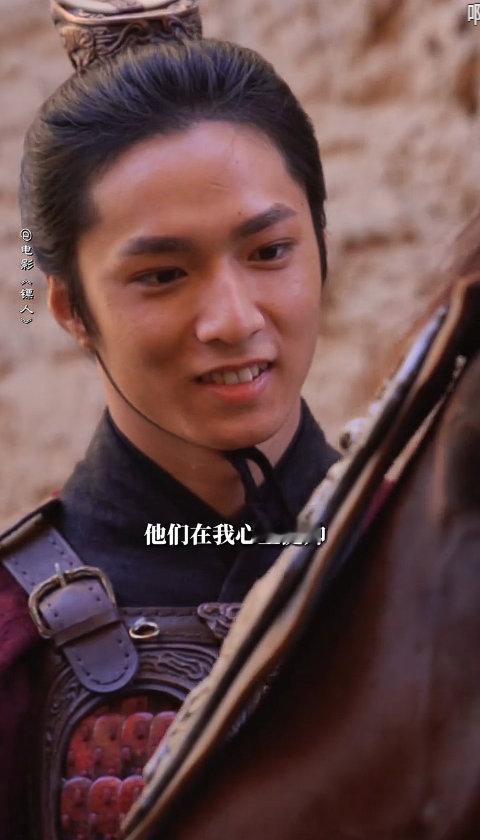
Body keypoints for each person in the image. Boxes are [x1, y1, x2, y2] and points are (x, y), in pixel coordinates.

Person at [0, 2, 338, 837]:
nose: (233, 319)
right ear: (72, 309)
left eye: (269, 252)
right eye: (161, 275)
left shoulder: (435, 555)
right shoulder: (13, 637)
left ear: (323, 248)